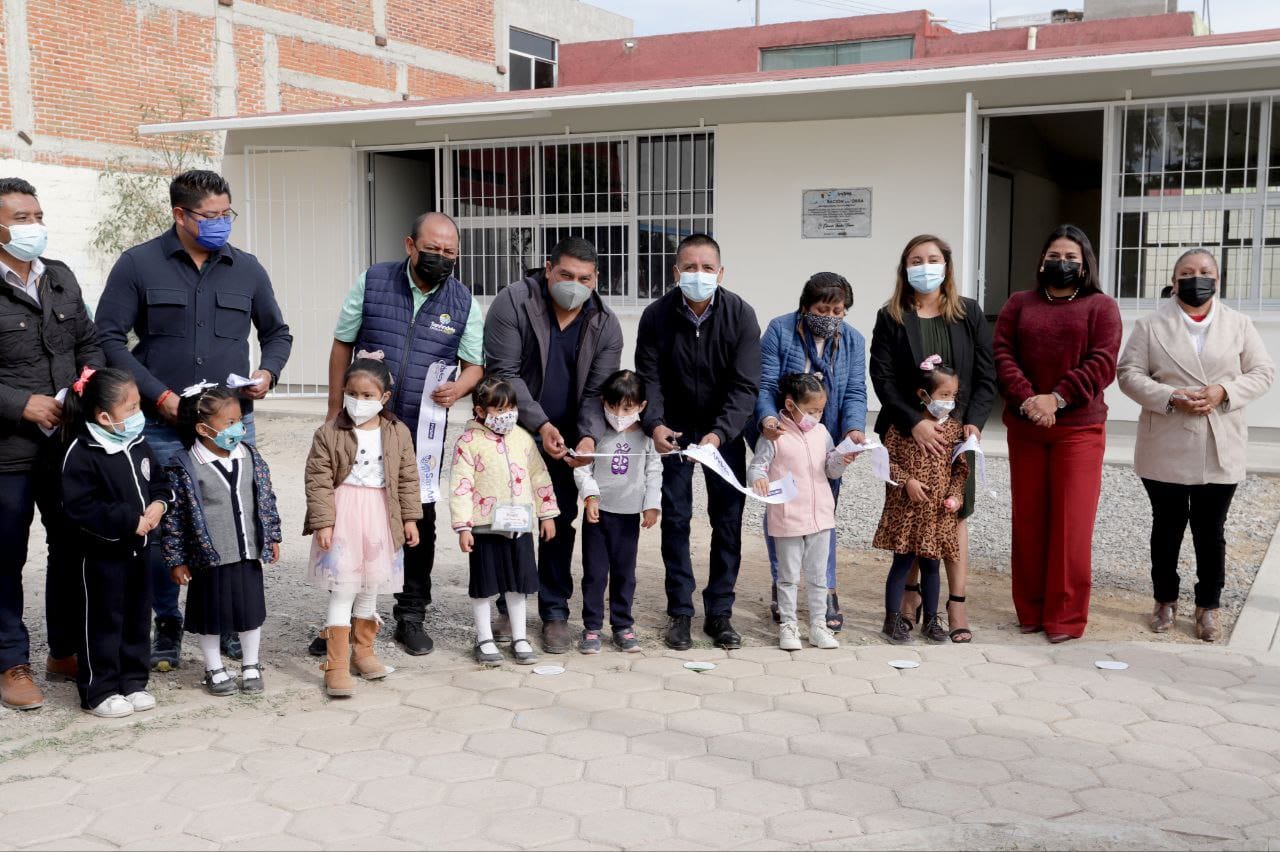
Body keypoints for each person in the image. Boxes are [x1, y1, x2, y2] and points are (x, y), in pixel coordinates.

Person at [96, 169, 292, 671]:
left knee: (230, 522)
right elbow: (109, 340)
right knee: (166, 528)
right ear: (179, 214)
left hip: (231, 427)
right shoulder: (139, 264)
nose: (221, 223)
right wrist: (156, 396)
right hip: (162, 425)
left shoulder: (246, 268)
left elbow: (277, 333)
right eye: (211, 216)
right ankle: (168, 621)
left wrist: (267, 373)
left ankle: (227, 624)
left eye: (227, 214)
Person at [321, 211, 484, 658]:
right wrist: (335, 409)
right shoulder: (374, 281)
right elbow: (342, 342)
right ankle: (341, 618)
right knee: (355, 516)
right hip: (364, 422)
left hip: (421, 431)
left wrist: (461, 387)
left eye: (450, 252)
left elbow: (475, 363)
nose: (441, 258)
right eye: (433, 249)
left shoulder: (463, 300)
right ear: (410, 245)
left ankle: (410, 614)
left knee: (418, 518)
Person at [1118, 248, 1275, 641]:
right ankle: (1164, 600)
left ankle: (1209, 606)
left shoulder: (1239, 324)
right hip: (1166, 441)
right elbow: (1128, 374)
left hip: (1219, 441)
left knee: (1211, 529)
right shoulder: (1151, 324)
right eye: (1187, 272)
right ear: (1174, 281)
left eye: (1205, 271)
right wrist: (1169, 396)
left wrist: (1224, 390)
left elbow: (1262, 372)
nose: (1196, 277)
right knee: (1167, 527)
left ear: (1217, 280)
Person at [483, 237, 623, 654]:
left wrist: (587, 435)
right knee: (510, 519)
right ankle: (510, 606)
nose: (573, 285)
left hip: (567, 438)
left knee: (558, 522)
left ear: (595, 279)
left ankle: (555, 610)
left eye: (584, 278)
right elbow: (504, 372)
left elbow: (600, 390)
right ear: (548, 269)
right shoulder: (514, 302)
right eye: (565, 275)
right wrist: (540, 424)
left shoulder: (605, 322)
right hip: (512, 429)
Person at [0, 177, 103, 711]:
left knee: (71, 547)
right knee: (6, 556)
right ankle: (10, 661)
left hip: (66, 442)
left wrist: (82, 390)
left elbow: (89, 343)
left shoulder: (58, 276)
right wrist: (21, 403)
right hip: (8, 451)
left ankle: (63, 650)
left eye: (36, 215)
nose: (33, 226)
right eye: (21, 218)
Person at [994, 224, 1121, 643]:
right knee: (1029, 520)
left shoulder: (1101, 307)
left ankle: (1064, 618)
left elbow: (1103, 361)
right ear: (1041, 261)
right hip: (1027, 426)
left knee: (1071, 524)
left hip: (1078, 430)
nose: (1061, 264)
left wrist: (1057, 399)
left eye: (1071, 258)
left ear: (1085, 266)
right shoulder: (1019, 303)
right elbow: (1003, 353)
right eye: (1054, 256)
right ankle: (1030, 610)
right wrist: (1030, 399)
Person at [636, 233, 762, 651]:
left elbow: (746, 386)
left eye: (707, 268)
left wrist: (721, 433)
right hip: (674, 432)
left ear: (721, 272)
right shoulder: (655, 316)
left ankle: (720, 612)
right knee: (676, 520)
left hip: (720, 435)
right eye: (690, 267)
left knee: (727, 521)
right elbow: (648, 377)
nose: (698, 275)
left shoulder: (740, 315)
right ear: (676, 272)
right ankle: (681, 612)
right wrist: (654, 424)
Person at [869, 234, 995, 643]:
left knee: (951, 514)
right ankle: (909, 598)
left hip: (957, 435)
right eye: (916, 259)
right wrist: (913, 423)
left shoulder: (969, 313)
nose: (925, 266)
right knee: (913, 515)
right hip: (910, 434)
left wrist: (973, 423)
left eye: (933, 258)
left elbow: (985, 374)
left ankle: (954, 603)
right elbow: (882, 376)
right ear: (904, 268)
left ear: (947, 265)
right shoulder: (891, 316)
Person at [305, 356, 423, 695]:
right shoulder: (329, 432)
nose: (359, 401)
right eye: (353, 393)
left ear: (385, 397)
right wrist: (324, 522)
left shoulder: (398, 432)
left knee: (371, 584)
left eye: (368, 395)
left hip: (381, 516)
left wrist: (411, 518)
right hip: (343, 515)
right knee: (344, 587)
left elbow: (407, 477)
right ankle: (336, 665)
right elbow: (318, 479)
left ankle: (364, 651)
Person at [757, 273, 867, 632]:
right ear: (805, 307)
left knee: (824, 514)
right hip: (782, 436)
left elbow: (854, 391)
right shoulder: (779, 329)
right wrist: (768, 419)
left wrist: (853, 430)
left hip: (825, 438)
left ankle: (826, 588)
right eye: (823, 309)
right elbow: (766, 383)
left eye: (838, 310)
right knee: (783, 516)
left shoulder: (852, 340)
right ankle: (782, 583)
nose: (831, 316)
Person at [61, 367, 170, 718]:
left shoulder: (137, 442)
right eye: (132, 408)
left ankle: (133, 681)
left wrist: (158, 504)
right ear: (104, 416)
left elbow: (159, 482)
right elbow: (81, 507)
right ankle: (100, 689)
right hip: (101, 556)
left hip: (138, 552)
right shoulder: (82, 451)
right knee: (103, 620)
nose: (140, 415)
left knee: (138, 616)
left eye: (140, 406)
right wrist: (129, 522)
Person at [161, 384, 282, 695]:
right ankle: (214, 666)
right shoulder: (186, 466)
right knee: (209, 614)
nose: (237, 427)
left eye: (239, 420)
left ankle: (251, 663)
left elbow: (266, 499)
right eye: (229, 423)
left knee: (250, 610)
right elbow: (174, 517)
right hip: (209, 557)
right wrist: (176, 559)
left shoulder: (250, 456)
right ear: (203, 428)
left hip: (246, 553)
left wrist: (272, 535)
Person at [449, 377, 559, 666]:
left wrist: (546, 513)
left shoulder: (522, 438)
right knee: (484, 584)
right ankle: (484, 638)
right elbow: (460, 484)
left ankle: (519, 636)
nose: (506, 415)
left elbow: (539, 475)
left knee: (518, 584)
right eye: (498, 410)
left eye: (511, 408)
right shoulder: (468, 442)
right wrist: (463, 526)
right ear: (481, 410)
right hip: (484, 528)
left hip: (519, 527)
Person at [748, 373, 854, 651]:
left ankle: (818, 626)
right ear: (791, 405)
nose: (816, 416)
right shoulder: (774, 436)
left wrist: (842, 460)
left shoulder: (821, 433)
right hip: (787, 517)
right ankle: (788, 626)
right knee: (787, 576)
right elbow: (757, 466)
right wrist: (758, 478)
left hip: (821, 517)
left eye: (820, 411)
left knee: (819, 576)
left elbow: (830, 470)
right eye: (810, 411)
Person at [873, 360, 969, 644]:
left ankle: (930, 619)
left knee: (931, 565)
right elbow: (886, 463)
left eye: (953, 396)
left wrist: (955, 495)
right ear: (923, 394)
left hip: (937, 514)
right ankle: (892, 620)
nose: (949, 401)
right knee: (901, 564)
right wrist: (908, 483)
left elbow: (960, 469)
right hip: (907, 512)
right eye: (943, 395)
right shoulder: (902, 427)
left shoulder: (954, 430)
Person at [573, 370, 662, 654]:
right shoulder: (596, 433)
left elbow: (654, 471)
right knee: (595, 573)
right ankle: (592, 627)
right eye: (612, 406)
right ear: (603, 403)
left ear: (642, 407)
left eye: (627, 408)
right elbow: (582, 468)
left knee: (625, 573)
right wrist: (590, 497)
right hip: (597, 516)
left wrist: (651, 504)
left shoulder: (647, 438)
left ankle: (623, 626)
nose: (619, 413)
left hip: (628, 516)